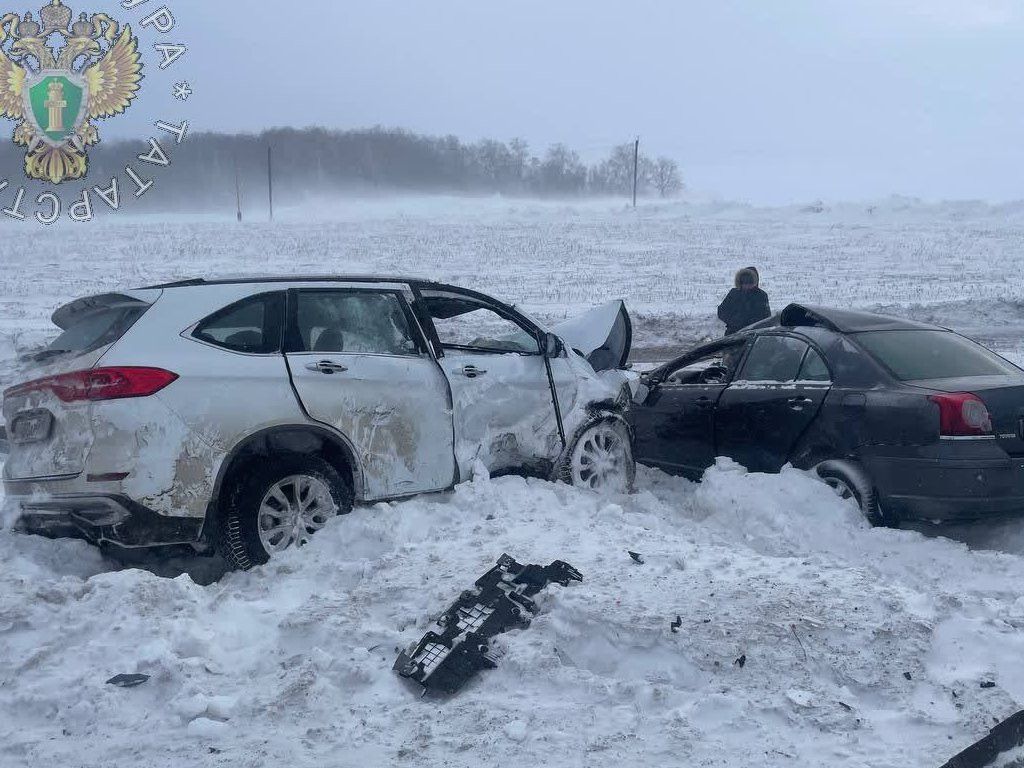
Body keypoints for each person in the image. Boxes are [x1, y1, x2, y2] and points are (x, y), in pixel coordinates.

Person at [717, 266, 771, 336]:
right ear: (740, 282)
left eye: (750, 283)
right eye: (744, 283)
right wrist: (734, 322)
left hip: (753, 334)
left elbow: (766, 317)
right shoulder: (733, 293)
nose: (747, 285)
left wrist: (751, 324)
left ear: (755, 281)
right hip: (733, 333)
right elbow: (722, 311)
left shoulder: (761, 295)